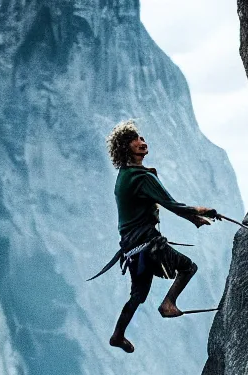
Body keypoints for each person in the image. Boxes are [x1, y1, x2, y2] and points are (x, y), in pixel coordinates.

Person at [89, 120, 218, 353]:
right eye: (135, 139)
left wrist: (193, 219)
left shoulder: (124, 176)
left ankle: (118, 335)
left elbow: (161, 205)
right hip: (148, 245)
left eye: (142, 138)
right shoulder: (141, 177)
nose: (142, 142)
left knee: (137, 295)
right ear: (125, 147)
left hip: (131, 250)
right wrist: (201, 211)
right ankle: (168, 303)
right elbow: (172, 204)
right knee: (188, 267)